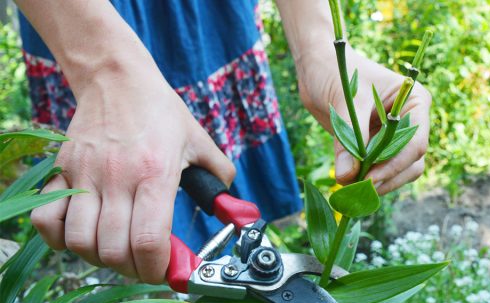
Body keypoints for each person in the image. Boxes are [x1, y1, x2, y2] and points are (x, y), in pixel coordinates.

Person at [17, 0, 431, 284]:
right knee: (128, 236)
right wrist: (105, 69)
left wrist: (318, 49)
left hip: (209, 25)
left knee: (228, 266)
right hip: (79, 23)